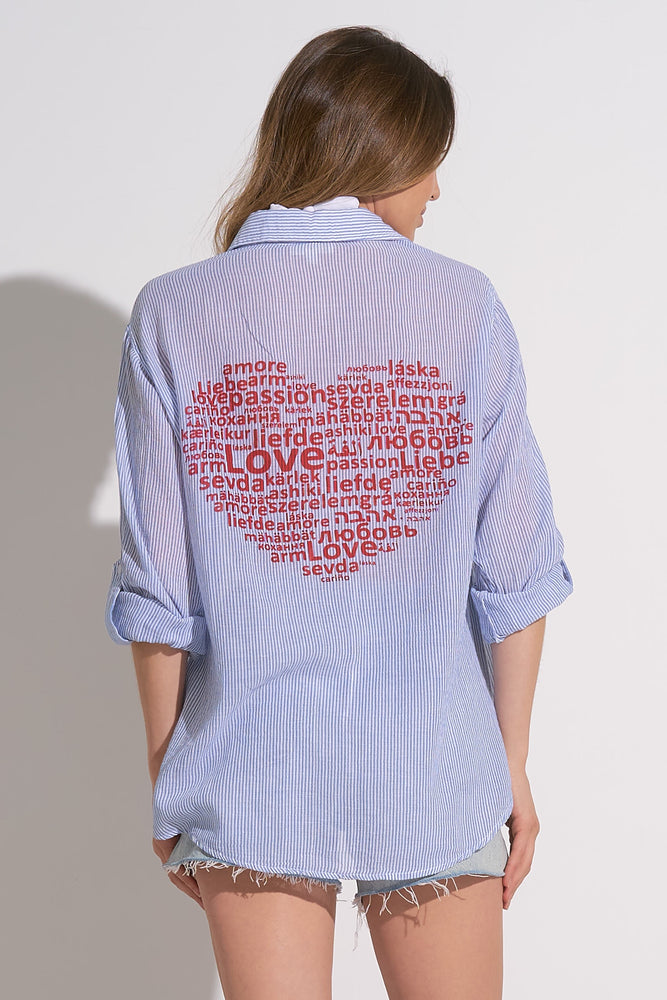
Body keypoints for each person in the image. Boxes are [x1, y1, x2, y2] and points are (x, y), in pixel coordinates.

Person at [104, 24, 574, 1000]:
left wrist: (168, 780)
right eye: (428, 158)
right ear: (379, 149)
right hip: (436, 768)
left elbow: (160, 594)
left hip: (247, 776)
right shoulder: (464, 305)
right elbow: (516, 572)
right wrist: (510, 764)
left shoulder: (171, 313)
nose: (436, 188)